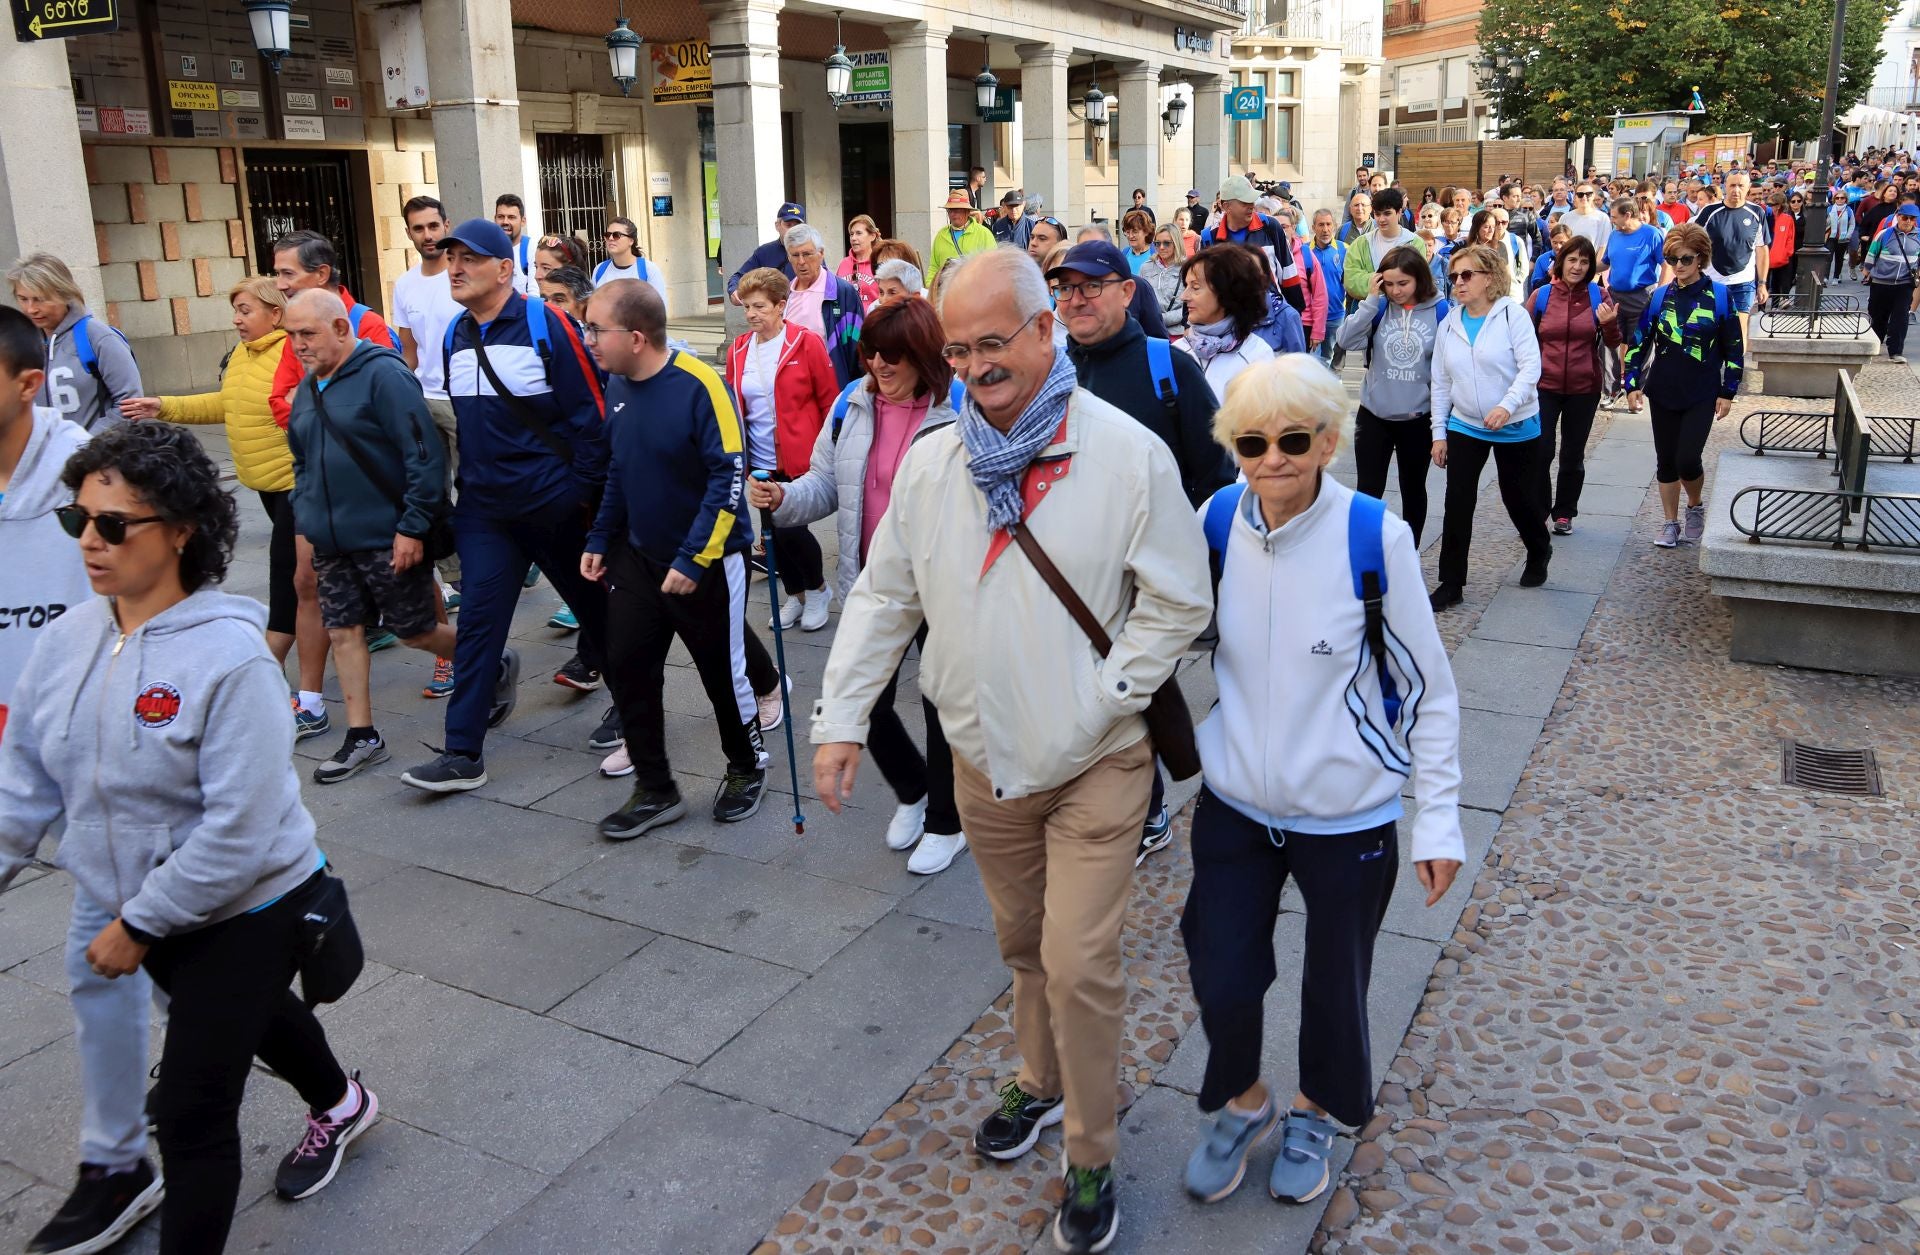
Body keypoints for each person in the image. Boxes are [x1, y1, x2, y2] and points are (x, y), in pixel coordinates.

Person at [812, 248, 1212, 1255]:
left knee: (1080, 962)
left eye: (996, 342)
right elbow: (884, 594)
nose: (978, 365)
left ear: (1045, 331)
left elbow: (1178, 600)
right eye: (960, 348)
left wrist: (1108, 697)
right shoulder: (937, 461)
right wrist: (841, 717)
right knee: (1024, 945)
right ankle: (1038, 1080)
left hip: (1097, 765)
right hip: (981, 763)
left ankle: (1089, 1147)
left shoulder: (1125, 453)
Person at [0, 420, 377, 1254]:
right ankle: (344, 1103)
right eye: (77, 520)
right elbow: (22, 780)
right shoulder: (67, 640)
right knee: (257, 1018)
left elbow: (239, 830)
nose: (89, 543)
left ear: (180, 532)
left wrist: (138, 925)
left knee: (191, 1112)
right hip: (135, 903)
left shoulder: (231, 658)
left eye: (112, 525)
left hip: (248, 906)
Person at [1180, 354, 1463, 1209]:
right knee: (1220, 966)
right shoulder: (1218, 518)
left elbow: (1431, 692)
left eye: (1294, 439)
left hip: (1347, 812)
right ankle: (1244, 1100)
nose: (1273, 459)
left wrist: (1439, 818)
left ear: (1329, 442)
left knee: (1335, 982)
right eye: (1253, 441)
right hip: (1235, 802)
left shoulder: (1373, 534)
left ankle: (1314, 1108)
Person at [0, 306, 164, 1255]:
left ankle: (117, 1161)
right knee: (189, 966)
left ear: (28, 383)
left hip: (111, 766)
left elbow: (161, 621)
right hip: (18, 761)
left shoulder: (96, 485)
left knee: (117, 958)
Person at [747, 299, 967, 873]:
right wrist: (785, 498)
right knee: (862, 697)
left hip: (944, 587)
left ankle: (949, 820)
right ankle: (915, 791)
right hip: (873, 578)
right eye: (872, 353)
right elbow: (826, 482)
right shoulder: (852, 404)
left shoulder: (961, 410)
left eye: (894, 355)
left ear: (924, 354)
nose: (880, 366)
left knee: (944, 705)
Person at [402, 218, 610, 793]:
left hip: (554, 506)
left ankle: (635, 705)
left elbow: (590, 416)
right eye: (450, 258)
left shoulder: (548, 325)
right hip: (486, 513)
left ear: (503, 269)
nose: (456, 268)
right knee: (478, 627)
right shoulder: (454, 335)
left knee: (596, 612)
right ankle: (462, 752)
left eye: (470, 258)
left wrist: (579, 496)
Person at [581, 279, 771, 833]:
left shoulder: (700, 384)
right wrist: (599, 539)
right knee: (629, 668)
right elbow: (619, 468)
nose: (588, 338)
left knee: (722, 675)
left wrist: (693, 559)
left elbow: (728, 474)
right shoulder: (616, 384)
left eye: (597, 329)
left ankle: (745, 768)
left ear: (636, 337)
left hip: (707, 562)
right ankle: (656, 788)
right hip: (638, 559)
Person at [282, 288, 457, 784]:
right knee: (343, 630)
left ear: (341, 328)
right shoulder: (311, 385)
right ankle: (363, 735)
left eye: (307, 334)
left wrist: (412, 527)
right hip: (331, 538)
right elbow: (302, 458)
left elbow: (424, 457)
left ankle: (486, 659)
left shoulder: (384, 375)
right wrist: (308, 513)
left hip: (387, 533)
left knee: (415, 630)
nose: (298, 345)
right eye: (291, 336)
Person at [118, 277, 321, 697]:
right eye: (236, 311)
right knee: (317, 576)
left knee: (288, 575)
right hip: (266, 486)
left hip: (298, 484)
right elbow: (225, 405)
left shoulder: (292, 350)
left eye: (246, 311)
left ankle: (271, 668)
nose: (237, 319)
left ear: (275, 314)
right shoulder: (243, 356)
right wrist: (165, 406)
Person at [1428, 242, 1549, 610]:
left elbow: (1531, 368)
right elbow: (1441, 382)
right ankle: (1451, 583)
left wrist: (1506, 405)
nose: (1459, 283)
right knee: (1457, 502)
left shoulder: (1513, 315)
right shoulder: (1449, 323)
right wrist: (1438, 433)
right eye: (1454, 277)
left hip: (1516, 423)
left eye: (1467, 275)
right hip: (1466, 424)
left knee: (1518, 498)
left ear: (1490, 277)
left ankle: (1539, 547)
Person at [725, 266, 837, 631]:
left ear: (780, 306)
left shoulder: (805, 343)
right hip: (758, 458)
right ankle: (795, 595)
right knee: (771, 533)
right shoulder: (739, 350)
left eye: (759, 306)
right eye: (747, 307)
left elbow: (828, 400)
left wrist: (829, 451)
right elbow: (733, 403)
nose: (752, 314)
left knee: (792, 530)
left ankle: (818, 589)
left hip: (800, 455)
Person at [1623, 222, 1744, 547]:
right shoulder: (1661, 296)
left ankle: (1695, 505)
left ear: (1701, 258)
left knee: (1688, 458)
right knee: (1666, 460)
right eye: (1674, 259)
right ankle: (1670, 522)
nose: (1679, 266)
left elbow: (1734, 347)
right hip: (1664, 389)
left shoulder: (1720, 296)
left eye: (1686, 259)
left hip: (1702, 391)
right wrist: (1631, 382)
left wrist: (1727, 390)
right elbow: (1640, 340)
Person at [389, 195, 467, 647]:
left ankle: (491, 565)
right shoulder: (405, 285)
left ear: (446, 224)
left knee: (473, 485)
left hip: (464, 400)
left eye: (433, 226)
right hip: (425, 400)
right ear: (410, 233)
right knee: (432, 493)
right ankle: (455, 577)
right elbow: (408, 348)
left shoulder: (459, 275)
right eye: (418, 229)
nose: (428, 236)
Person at [1338, 245, 1449, 545]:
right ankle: (1365, 552)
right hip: (1374, 415)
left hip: (1417, 417)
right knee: (1368, 490)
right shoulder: (1379, 307)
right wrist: (1370, 303)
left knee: (1413, 488)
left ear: (1419, 280)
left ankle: (1408, 553)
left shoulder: (1440, 311)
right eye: (1389, 284)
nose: (1396, 291)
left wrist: (1442, 424)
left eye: (1403, 283)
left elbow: (1445, 371)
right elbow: (1346, 340)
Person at [1529, 237, 1623, 536]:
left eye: (1584, 262)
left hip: (1584, 387)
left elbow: (1614, 341)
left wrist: (1608, 324)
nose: (1578, 266)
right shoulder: (1541, 296)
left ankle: (1565, 513)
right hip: (1544, 385)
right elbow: (1522, 339)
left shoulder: (1599, 295)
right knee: (1541, 451)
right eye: (1572, 260)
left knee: (1573, 454)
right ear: (1561, 261)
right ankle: (1540, 510)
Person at [9, 252, 141, 432]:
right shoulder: (21, 343)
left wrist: (84, 446)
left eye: (40, 299)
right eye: (23, 299)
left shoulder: (98, 337)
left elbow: (130, 405)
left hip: (95, 456)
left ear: (64, 294)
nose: (31, 309)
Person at [269, 230, 398, 352]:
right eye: (278, 274)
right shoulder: (296, 328)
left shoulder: (367, 325)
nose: (280, 285)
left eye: (288, 273)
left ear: (322, 274)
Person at [1178, 244, 1277, 402]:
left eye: (1195, 287)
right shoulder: (1176, 351)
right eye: (1186, 286)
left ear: (1227, 293)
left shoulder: (1256, 356)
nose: (1184, 296)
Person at [1198, 175, 1306, 314]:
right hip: (1229, 321)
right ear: (1226, 206)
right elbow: (1200, 282)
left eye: (1252, 200)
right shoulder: (1209, 238)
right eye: (1244, 202)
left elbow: (1288, 271)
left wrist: (1295, 312)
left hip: (1269, 318)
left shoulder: (1270, 226)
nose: (1251, 206)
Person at [1600, 195, 1668, 400]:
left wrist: (1661, 291)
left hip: (1642, 297)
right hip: (1616, 297)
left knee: (1640, 345)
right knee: (1609, 343)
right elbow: (1605, 263)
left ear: (1628, 214)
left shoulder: (1652, 234)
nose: (1611, 220)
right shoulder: (1614, 235)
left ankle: (1636, 392)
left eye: (1614, 217)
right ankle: (1610, 390)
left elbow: (1666, 263)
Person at [1693, 171, 1771, 328]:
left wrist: (1762, 283)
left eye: (1741, 186)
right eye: (1732, 185)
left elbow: (1762, 249)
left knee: (1739, 331)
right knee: (1710, 329)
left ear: (1748, 187)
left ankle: (1738, 354)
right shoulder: (1709, 211)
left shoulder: (1757, 212)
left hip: (1743, 283)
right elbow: (1693, 243)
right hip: (1712, 281)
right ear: (1725, 186)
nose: (1736, 190)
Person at [1343, 188, 1428, 304]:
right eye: (1377, 214)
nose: (1381, 219)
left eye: (1387, 213)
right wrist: (1394, 280)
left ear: (1399, 212)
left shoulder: (1414, 242)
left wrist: (1374, 281)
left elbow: (1417, 280)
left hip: (1402, 314)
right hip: (1368, 316)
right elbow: (1351, 281)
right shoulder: (1360, 243)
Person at [1861, 200, 1919, 363]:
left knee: (1900, 318)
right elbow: (1872, 254)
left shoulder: (1919, 236)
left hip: (1905, 284)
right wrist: (1867, 272)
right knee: (1878, 316)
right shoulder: (1885, 234)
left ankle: (1895, 351)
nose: (1908, 222)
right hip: (1881, 282)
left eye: (1912, 219)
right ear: (1898, 217)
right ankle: (1876, 344)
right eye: (1905, 218)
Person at [727, 202, 806, 303]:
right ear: (777, 225)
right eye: (788, 225)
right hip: (773, 312)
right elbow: (738, 277)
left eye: (797, 226)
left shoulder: (812, 251)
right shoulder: (765, 252)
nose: (793, 230)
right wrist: (734, 290)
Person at [592, 216, 668, 304]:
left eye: (616, 235)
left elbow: (660, 310)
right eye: (607, 235)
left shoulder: (649, 270)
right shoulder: (599, 270)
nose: (611, 238)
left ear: (631, 241)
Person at [1308, 209, 1349, 365]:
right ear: (1313, 227)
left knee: (1329, 359)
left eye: (1328, 224)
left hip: (1336, 316)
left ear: (1334, 226)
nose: (1325, 229)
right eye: (1320, 225)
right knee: (1313, 361)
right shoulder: (1305, 250)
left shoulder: (1344, 249)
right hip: (1312, 318)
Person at [1138, 223, 1189, 332]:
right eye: (1157, 243)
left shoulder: (1188, 268)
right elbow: (1139, 300)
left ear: (1176, 243)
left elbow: (1190, 307)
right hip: (1150, 332)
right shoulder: (1146, 267)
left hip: (1177, 333)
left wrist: (1160, 319)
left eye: (1166, 243)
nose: (1161, 247)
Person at [930, 190, 997, 273]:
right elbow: (934, 267)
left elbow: (993, 266)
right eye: (950, 210)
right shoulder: (941, 235)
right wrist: (930, 285)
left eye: (957, 210)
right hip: (945, 286)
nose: (953, 214)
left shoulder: (984, 234)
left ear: (967, 212)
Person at [836, 213, 883, 309]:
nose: (853, 238)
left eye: (859, 233)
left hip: (873, 321)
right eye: (851, 234)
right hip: (848, 322)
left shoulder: (880, 262)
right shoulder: (844, 263)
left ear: (872, 236)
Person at [1559, 182, 1612, 257]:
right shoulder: (1565, 218)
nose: (1584, 197)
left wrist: (1595, 267)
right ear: (1575, 197)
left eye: (1588, 194)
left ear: (1593, 196)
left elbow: (1603, 246)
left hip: (1592, 264)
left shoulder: (1603, 218)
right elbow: (1560, 244)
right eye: (1580, 194)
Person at [1766, 190, 1800, 303]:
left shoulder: (1787, 218)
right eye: (1769, 204)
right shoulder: (1767, 217)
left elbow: (1790, 237)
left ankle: (1778, 305)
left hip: (1782, 257)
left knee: (1780, 281)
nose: (1770, 206)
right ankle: (1764, 308)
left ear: (1779, 205)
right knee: (1766, 284)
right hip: (1767, 257)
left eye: (1772, 204)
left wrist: (1787, 253)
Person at [1826, 187, 1857, 284]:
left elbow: (1852, 224)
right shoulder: (1829, 209)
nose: (1839, 199)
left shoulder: (1849, 210)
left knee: (1839, 258)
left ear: (1845, 199)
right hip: (1831, 237)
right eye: (1837, 198)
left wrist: (1848, 235)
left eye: (1842, 198)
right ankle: (1825, 277)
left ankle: (1836, 277)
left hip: (1843, 238)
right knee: (1828, 257)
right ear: (1834, 199)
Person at [1121, 209, 1155, 274]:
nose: (1130, 236)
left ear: (1146, 231)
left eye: (1135, 232)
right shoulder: (1124, 253)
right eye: (1127, 232)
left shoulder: (1156, 254)